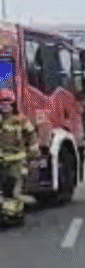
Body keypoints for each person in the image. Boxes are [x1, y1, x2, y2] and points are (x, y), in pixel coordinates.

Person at [0, 88, 38, 225]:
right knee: (5, 191)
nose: (4, 106)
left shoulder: (21, 120)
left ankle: (14, 217)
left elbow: (31, 136)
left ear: (13, 104)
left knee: (13, 191)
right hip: (2, 162)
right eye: (2, 103)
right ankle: (8, 213)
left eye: (7, 103)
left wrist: (32, 154)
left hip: (17, 162)